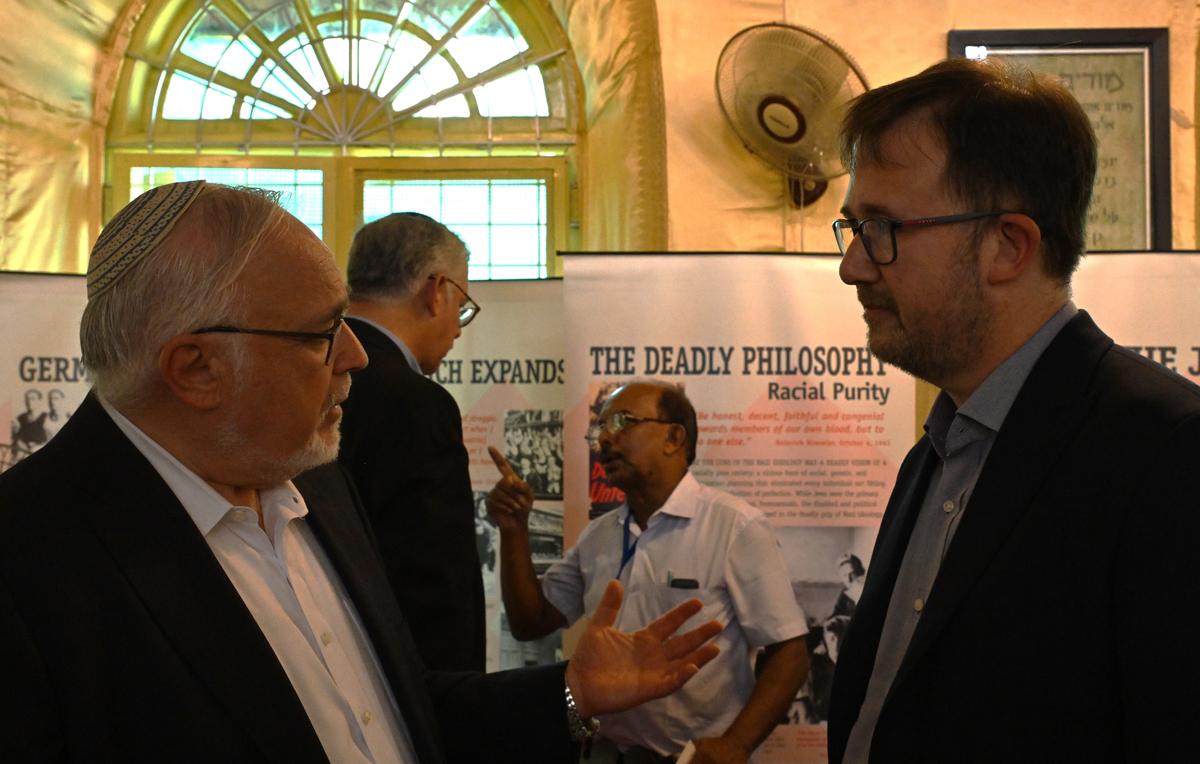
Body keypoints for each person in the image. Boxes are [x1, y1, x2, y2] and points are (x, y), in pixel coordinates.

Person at [0, 182, 724, 763]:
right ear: (196, 368)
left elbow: (388, 710)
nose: (354, 356)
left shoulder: (313, 478)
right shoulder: (30, 562)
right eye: (321, 333)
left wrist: (566, 694)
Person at [827, 58, 1200, 763]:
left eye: (882, 228)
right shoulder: (937, 451)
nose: (853, 265)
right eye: (853, 227)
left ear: (1008, 246)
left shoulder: (1166, 451)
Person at [488, 381, 810, 764]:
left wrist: (736, 745)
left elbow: (789, 653)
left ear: (674, 437)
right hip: (603, 753)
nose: (604, 439)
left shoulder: (734, 528)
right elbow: (532, 622)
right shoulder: (599, 536)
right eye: (599, 428)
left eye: (622, 422)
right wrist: (513, 530)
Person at [337, 212, 486, 671]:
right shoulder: (418, 404)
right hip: (396, 678)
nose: (459, 328)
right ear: (435, 289)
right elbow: (439, 592)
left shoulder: (309, 373)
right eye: (461, 304)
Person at [830, 553, 865, 618]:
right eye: (844, 575)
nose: (849, 579)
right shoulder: (845, 593)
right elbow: (836, 615)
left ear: (861, 572)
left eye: (852, 574)